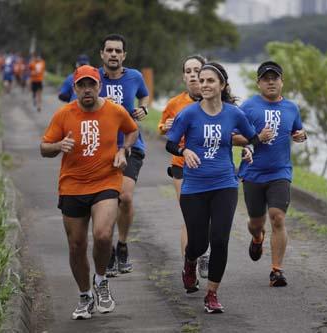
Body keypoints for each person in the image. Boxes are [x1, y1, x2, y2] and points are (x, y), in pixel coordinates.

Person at [40, 65, 139, 320]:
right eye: (81, 85)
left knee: (103, 235)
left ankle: (102, 280)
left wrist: (123, 150)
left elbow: (132, 129)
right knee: (76, 245)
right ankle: (85, 296)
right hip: (72, 185)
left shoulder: (115, 110)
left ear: (99, 86)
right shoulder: (64, 115)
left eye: (91, 84)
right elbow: (44, 147)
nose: (86, 90)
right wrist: (59, 145)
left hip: (106, 181)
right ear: (75, 89)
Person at [165, 62, 259, 313]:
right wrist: (184, 150)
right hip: (194, 187)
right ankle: (190, 261)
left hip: (224, 184)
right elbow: (171, 144)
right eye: (201, 80)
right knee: (198, 243)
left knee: (219, 240)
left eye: (210, 81)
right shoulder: (188, 114)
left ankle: (212, 294)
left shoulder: (234, 114)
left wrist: (248, 149)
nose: (204, 84)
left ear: (222, 85)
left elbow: (252, 137)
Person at [234, 61, 307, 287]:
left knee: (278, 217)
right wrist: (256, 137)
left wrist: (301, 135)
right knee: (256, 222)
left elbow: (298, 130)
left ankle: (277, 270)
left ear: (282, 81)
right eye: (266, 78)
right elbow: (233, 137)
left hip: (280, 172)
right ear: (259, 83)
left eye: (275, 78)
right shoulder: (248, 107)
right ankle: (257, 237)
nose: (271, 82)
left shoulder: (291, 108)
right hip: (253, 173)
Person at [98, 34, 150, 277]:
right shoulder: (95, 77)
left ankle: (122, 245)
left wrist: (144, 107)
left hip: (132, 145)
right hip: (101, 149)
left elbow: (145, 94)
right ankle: (106, 249)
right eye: (109, 50)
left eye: (118, 51)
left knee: (125, 197)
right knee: (105, 201)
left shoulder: (135, 76)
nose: (114, 55)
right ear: (102, 54)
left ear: (124, 55)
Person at [158, 55, 210, 278]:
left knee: (207, 216)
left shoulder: (216, 101)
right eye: (188, 71)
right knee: (190, 216)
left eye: (196, 70)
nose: (192, 75)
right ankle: (189, 265)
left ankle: (205, 255)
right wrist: (165, 126)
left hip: (209, 165)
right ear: (183, 76)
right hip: (181, 165)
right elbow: (162, 127)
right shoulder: (175, 103)